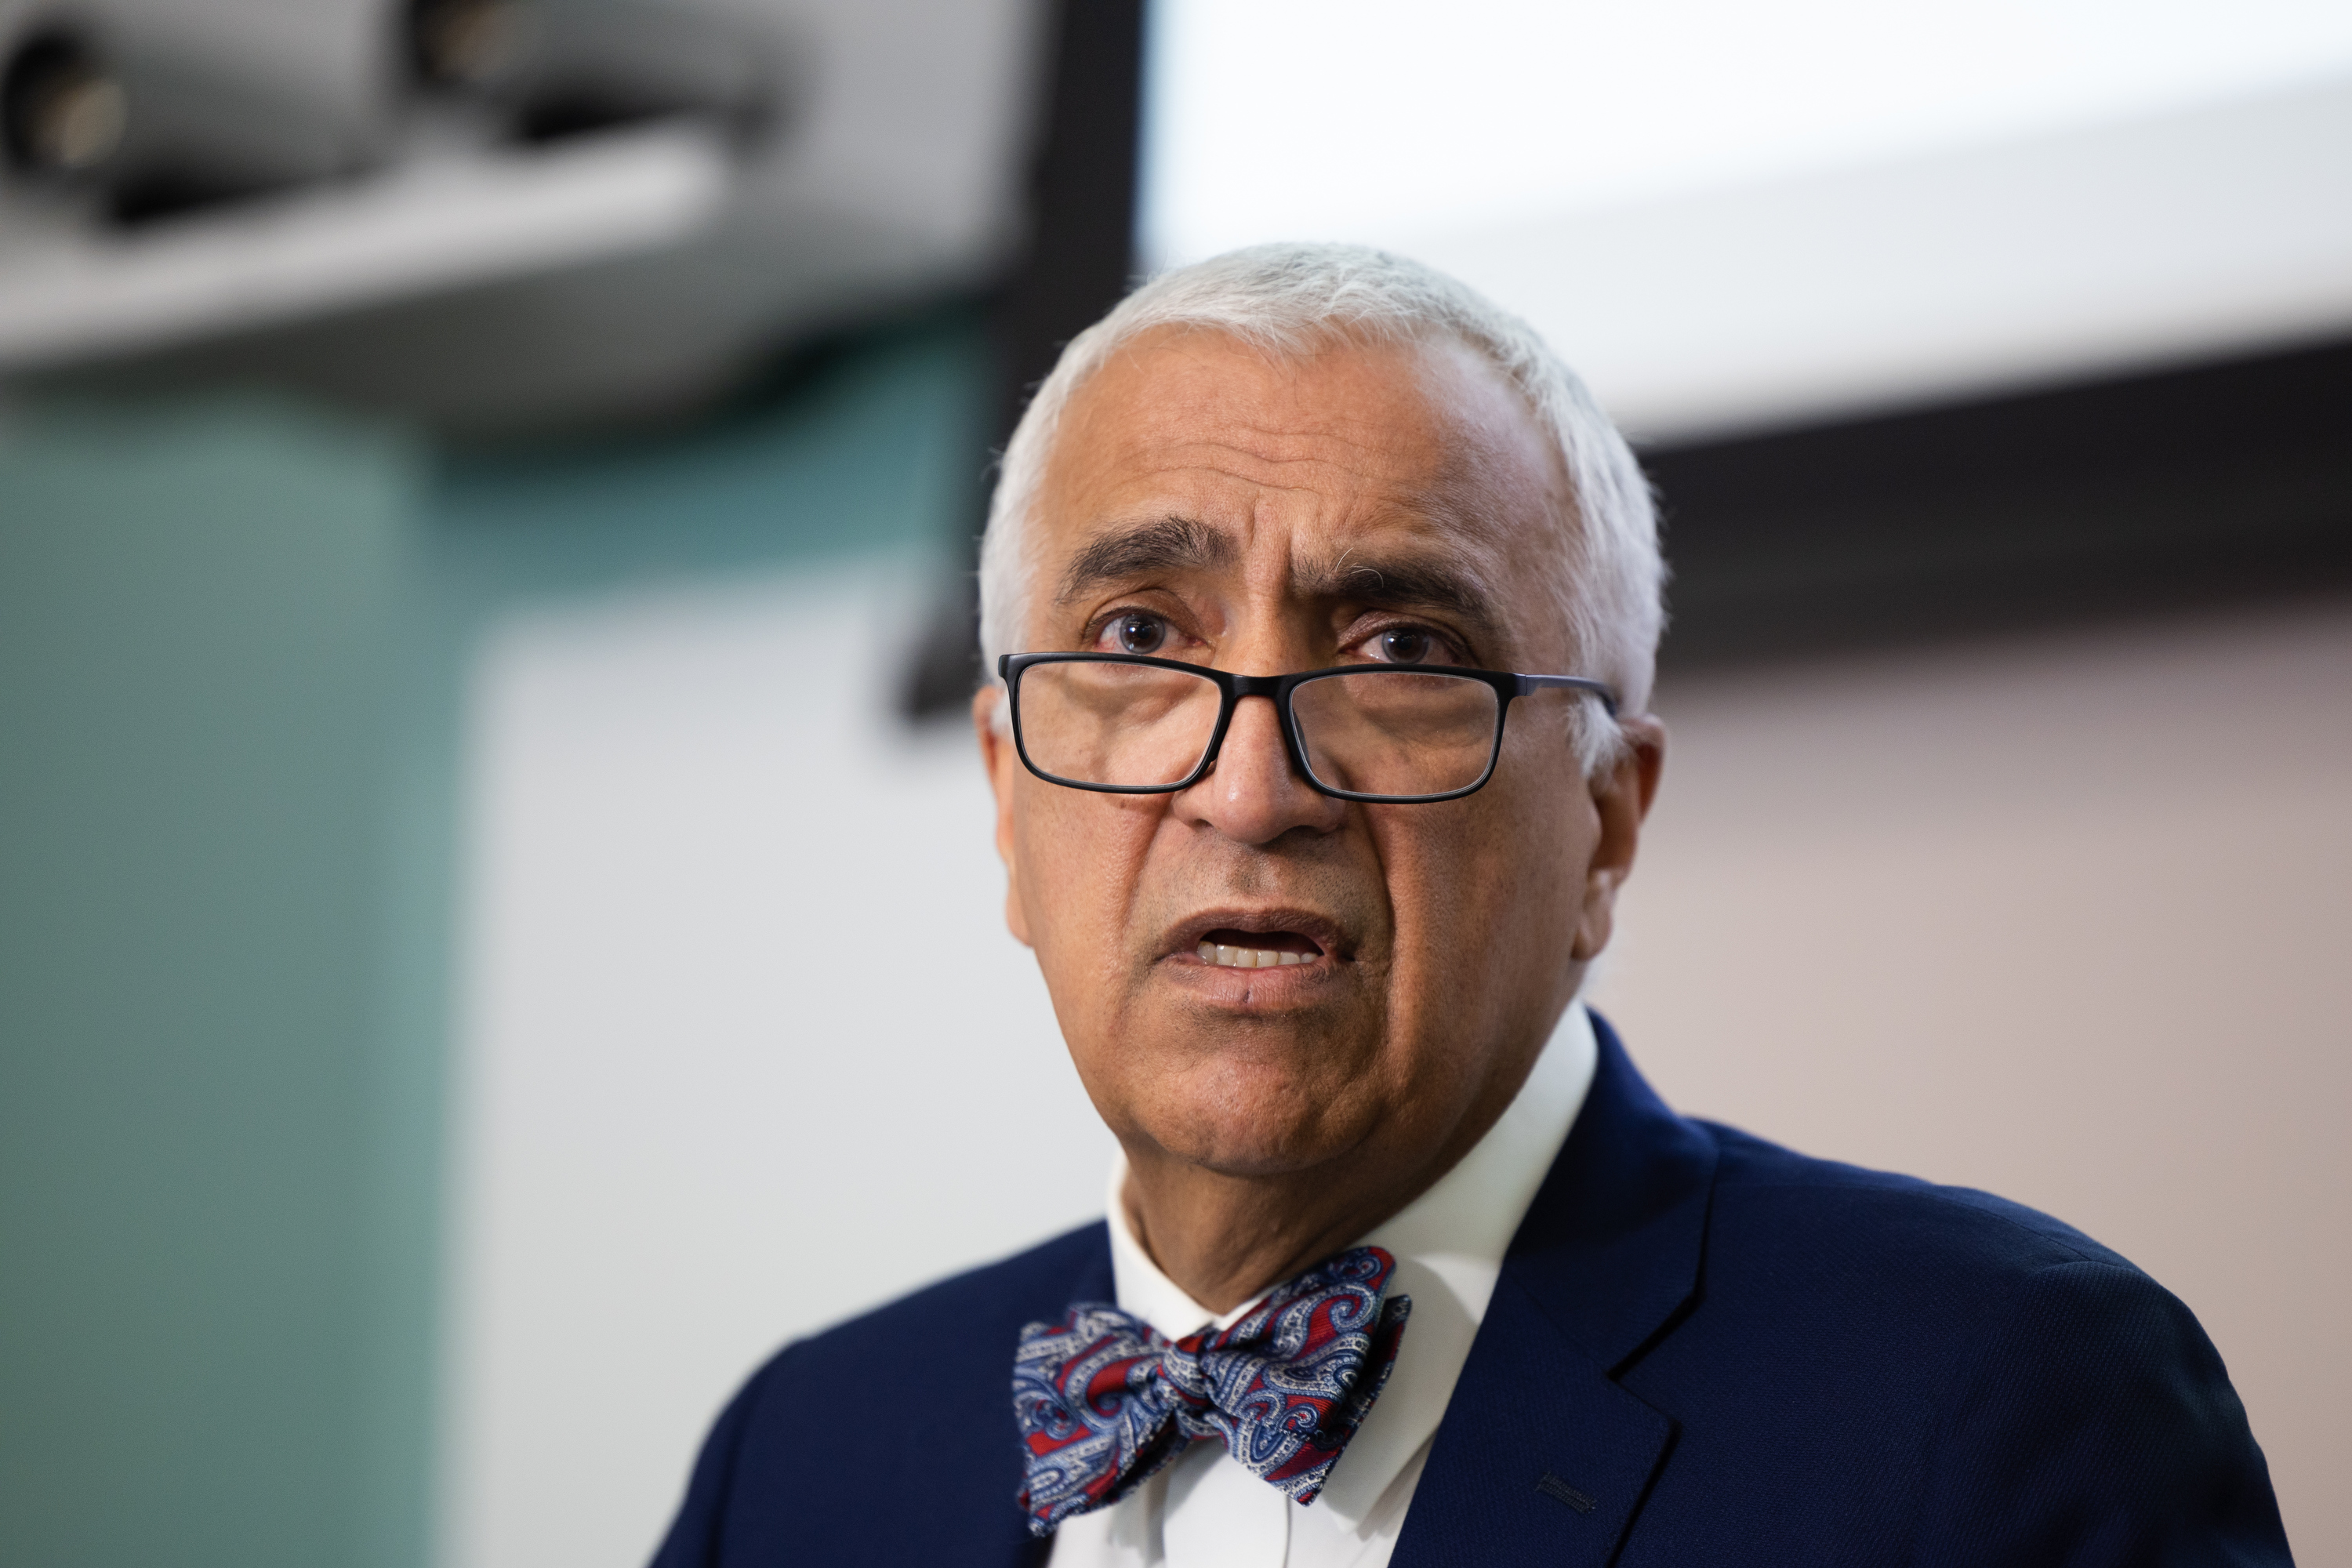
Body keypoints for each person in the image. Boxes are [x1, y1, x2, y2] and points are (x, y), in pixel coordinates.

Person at [649, 245, 2290, 1566]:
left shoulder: (1991, 1404)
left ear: (1605, 825)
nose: (1251, 789)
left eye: (1403, 651)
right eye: (1142, 638)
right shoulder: (804, 1463)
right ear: (1010, 803)